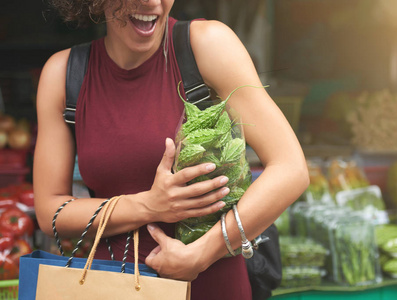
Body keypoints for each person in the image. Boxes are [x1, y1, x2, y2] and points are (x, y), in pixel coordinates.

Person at [33, 0, 309, 299]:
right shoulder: (65, 74)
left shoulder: (206, 45)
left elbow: (290, 169)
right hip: (111, 288)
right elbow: (50, 212)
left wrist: (202, 253)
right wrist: (148, 205)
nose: (152, 1)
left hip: (213, 285)